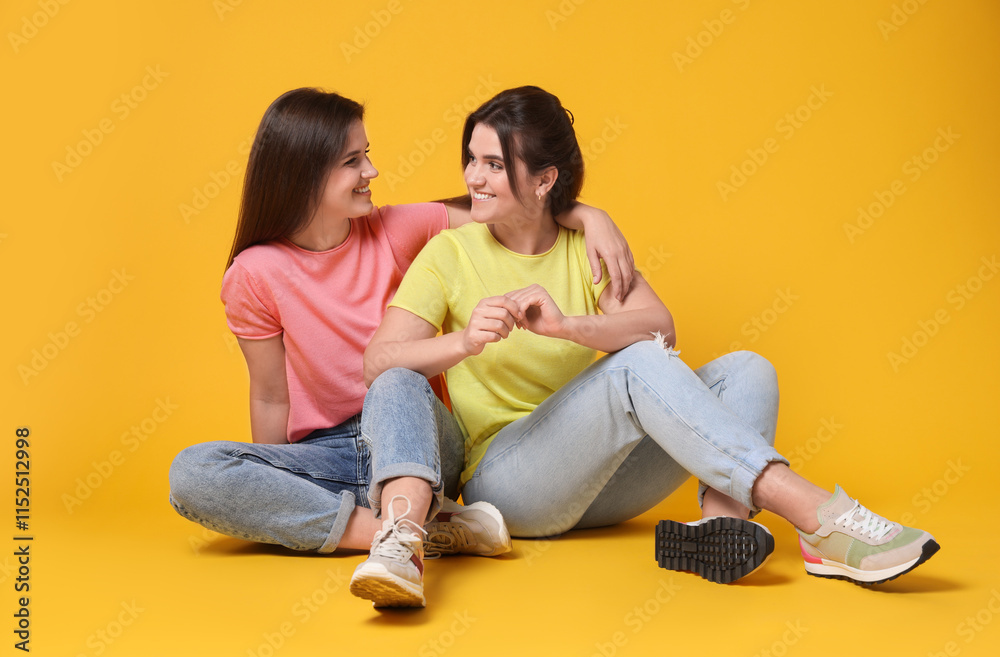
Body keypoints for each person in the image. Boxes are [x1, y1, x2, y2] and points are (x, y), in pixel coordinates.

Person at [364, 85, 940, 592]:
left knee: (748, 369)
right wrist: (464, 341)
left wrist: (567, 325)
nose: (472, 178)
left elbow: (661, 328)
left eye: (492, 164)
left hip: (605, 488)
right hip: (511, 486)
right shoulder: (449, 252)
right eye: (472, 159)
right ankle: (818, 516)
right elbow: (379, 363)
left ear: (544, 180)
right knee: (635, 363)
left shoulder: (584, 247)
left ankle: (722, 527)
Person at [167, 87, 636, 608]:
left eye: (366, 154)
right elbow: (270, 396)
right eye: (353, 160)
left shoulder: (393, 229)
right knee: (193, 473)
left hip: (423, 435)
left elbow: (512, 205)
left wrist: (590, 216)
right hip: (334, 456)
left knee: (394, 379)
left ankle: (401, 531)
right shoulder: (253, 274)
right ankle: (415, 530)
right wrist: (271, 479)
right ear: (304, 172)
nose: (371, 170)